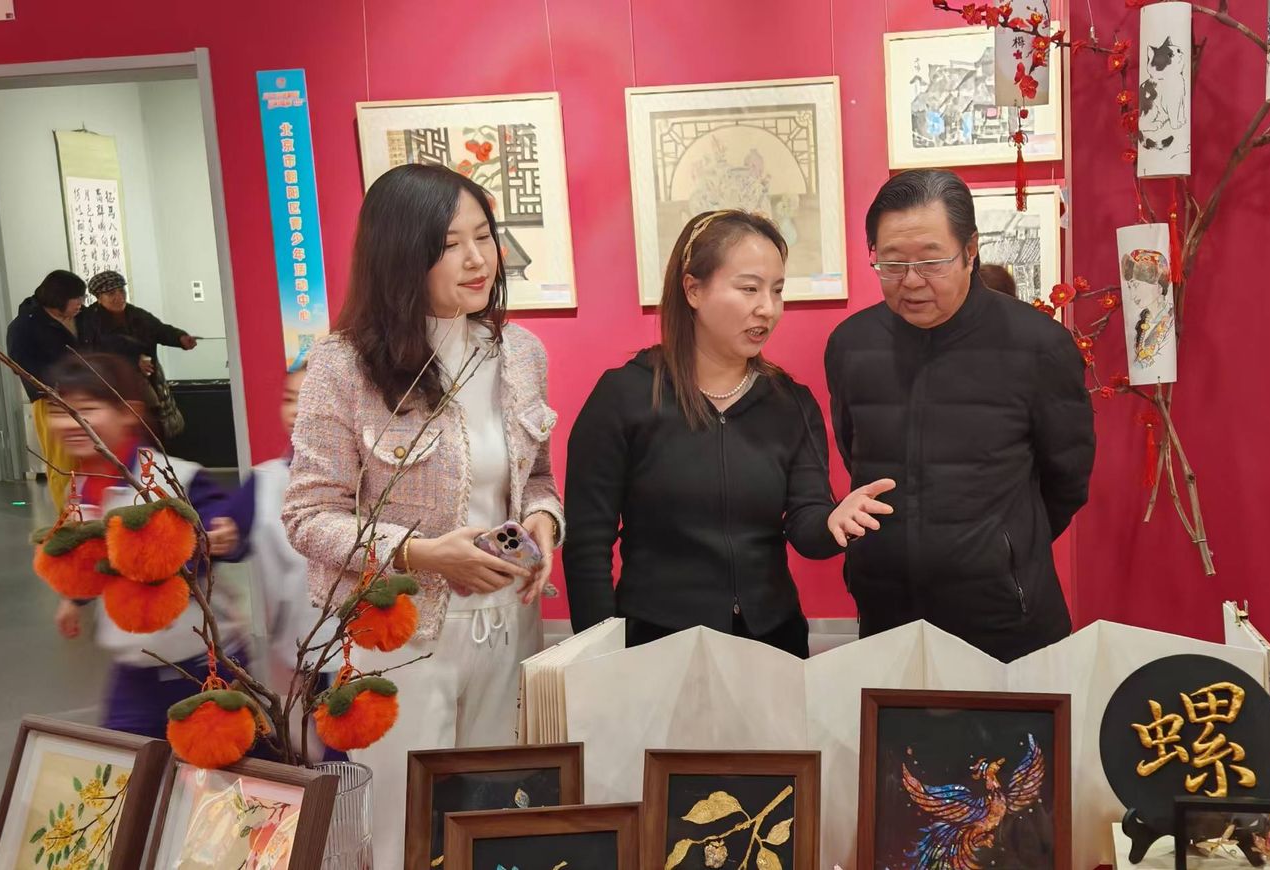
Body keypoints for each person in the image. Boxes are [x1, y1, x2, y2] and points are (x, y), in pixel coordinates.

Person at [283, 163, 562, 870]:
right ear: (402, 256)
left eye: (484, 237)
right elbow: (309, 516)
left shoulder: (519, 354)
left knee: (499, 816)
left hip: (509, 626)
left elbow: (538, 479)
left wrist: (544, 524)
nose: (477, 259)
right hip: (401, 639)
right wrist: (422, 553)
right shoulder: (343, 367)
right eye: (449, 244)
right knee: (407, 827)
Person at [564, 210, 892, 656]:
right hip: (656, 644)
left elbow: (805, 522)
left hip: (772, 642)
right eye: (749, 289)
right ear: (693, 289)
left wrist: (835, 522)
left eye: (777, 290)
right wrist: (598, 656)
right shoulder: (626, 395)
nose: (768, 308)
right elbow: (587, 544)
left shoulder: (790, 402)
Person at [823, 169, 1094, 663]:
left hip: (1007, 620)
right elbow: (854, 450)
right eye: (892, 263)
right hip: (887, 614)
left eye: (932, 261)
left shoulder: (1038, 345)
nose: (911, 281)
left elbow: (1067, 481)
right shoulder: (850, 345)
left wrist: (1000, 549)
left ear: (970, 251)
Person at [44, 354, 245, 738]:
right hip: (135, 664)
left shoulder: (176, 477)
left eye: (86, 409)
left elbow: (215, 526)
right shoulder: (81, 487)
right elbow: (98, 558)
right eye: (59, 411)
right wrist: (76, 599)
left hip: (202, 661)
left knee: (224, 762)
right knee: (125, 759)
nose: (69, 423)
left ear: (128, 413)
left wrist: (219, 536)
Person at [226, 366, 343, 759]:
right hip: (294, 653)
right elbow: (226, 538)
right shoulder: (264, 482)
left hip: (357, 650)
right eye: (290, 399)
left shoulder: (369, 480)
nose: (296, 409)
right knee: (307, 752)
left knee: (354, 755)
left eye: (311, 399)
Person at [77, 270, 199, 437]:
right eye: (111, 293)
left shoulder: (136, 314)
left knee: (153, 425)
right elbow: (99, 350)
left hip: (147, 381)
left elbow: (159, 330)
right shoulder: (90, 320)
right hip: (113, 387)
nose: (119, 297)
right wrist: (133, 360)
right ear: (98, 297)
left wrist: (180, 338)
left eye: (122, 291)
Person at [5, 270, 88, 510]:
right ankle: (68, 518)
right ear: (59, 297)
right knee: (64, 463)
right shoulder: (26, 324)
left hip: (86, 397)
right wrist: (53, 383)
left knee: (91, 460)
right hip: (52, 400)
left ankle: (92, 515)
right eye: (76, 298)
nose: (81, 303)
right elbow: (20, 364)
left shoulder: (82, 319)